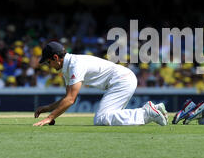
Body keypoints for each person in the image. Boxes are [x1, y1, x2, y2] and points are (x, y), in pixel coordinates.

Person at [33, 41, 168, 126]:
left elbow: (70, 100)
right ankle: (155, 109)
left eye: (48, 62)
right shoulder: (68, 67)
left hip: (122, 80)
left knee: (102, 119)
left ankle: (147, 113)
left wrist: (50, 118)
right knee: (107, 117)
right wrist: (48, 108)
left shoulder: (75, 65)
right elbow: (67, 97)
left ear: (56, 58)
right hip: (122, 80)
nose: (49, 65)